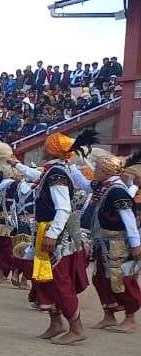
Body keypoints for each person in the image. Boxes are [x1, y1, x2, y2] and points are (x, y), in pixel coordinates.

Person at [28, 132, 91, 345]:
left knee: (60, 280)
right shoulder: (54, 171)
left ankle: (77, 327)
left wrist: (52, 234)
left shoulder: (56, 174)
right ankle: (56, 323)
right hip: (47, 231)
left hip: (54, 234)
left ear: (51, 150)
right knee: (45, 279)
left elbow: (63, 208)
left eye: (46, 146)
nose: (43, 149)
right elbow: (32, 175)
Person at [83, 153, 140, 333]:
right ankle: (109, 314)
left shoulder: (116, 190)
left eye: (99, 169)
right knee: (99, 278)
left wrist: (135, 243)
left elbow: (128, 218)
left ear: (107, 170)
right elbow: (83, 183)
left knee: (121, 279)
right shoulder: (103, 186)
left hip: (117, 243)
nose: (95, 171)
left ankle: (130, 317)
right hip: (102, 241)